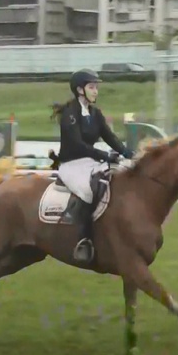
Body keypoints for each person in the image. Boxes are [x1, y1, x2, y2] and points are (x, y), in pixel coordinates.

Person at [51, 68, 133, 263]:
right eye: (92, 87)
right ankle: (84, 238)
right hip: (71, 165)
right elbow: (78, 144)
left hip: (89, 162)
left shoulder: (96, 113)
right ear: (80, 90)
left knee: (118, 179)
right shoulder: (70, 113)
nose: (96, 91)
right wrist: (104, 155)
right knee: (88, 193)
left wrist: (127, 152)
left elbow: (110, 137)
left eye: (96, 87)